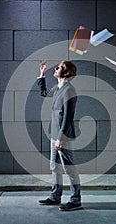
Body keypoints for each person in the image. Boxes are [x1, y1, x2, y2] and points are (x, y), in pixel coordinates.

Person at [37, 60, 82, 211]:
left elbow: (68, 117)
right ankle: (55, 197)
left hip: (62, 137)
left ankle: (75, 200)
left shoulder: (69, 90)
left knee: (69, 168)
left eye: (60, 67)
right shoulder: (58, 87)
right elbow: (44, 93)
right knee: (54, 166)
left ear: (67, 72)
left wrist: (60, 139)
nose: (56, 68)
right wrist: (42, 75)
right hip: (54, 135)